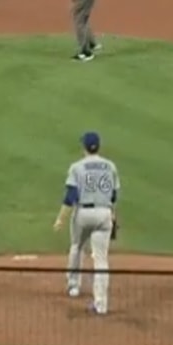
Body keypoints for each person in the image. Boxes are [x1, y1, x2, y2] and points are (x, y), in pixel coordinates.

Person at [53, 131, 120, 315]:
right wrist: (113, 216)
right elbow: (113, 196)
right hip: (104, 213)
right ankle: (101, 304)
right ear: (99, 146)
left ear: (84, 147)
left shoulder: (77, 167)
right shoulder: (110, 166)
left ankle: (74, 286)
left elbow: (70, 197)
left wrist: (61, 219)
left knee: (77, 246)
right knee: (101, 259)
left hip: (83, 213)